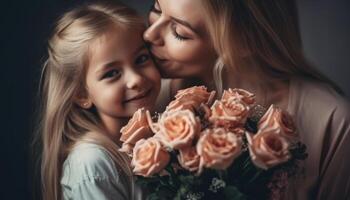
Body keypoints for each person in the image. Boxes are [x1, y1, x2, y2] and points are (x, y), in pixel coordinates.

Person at [144, 0, 350, 199]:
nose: (149, 34)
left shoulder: (331, 119)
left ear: (244, 40)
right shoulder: (148, 99)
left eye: (179, 32)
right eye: (156, 8)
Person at [37, 1, 161, 200]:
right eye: (112, 73)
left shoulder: (157, 136)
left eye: (141, 59)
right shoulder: (93, 162)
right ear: (81, 95)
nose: (136, 79)